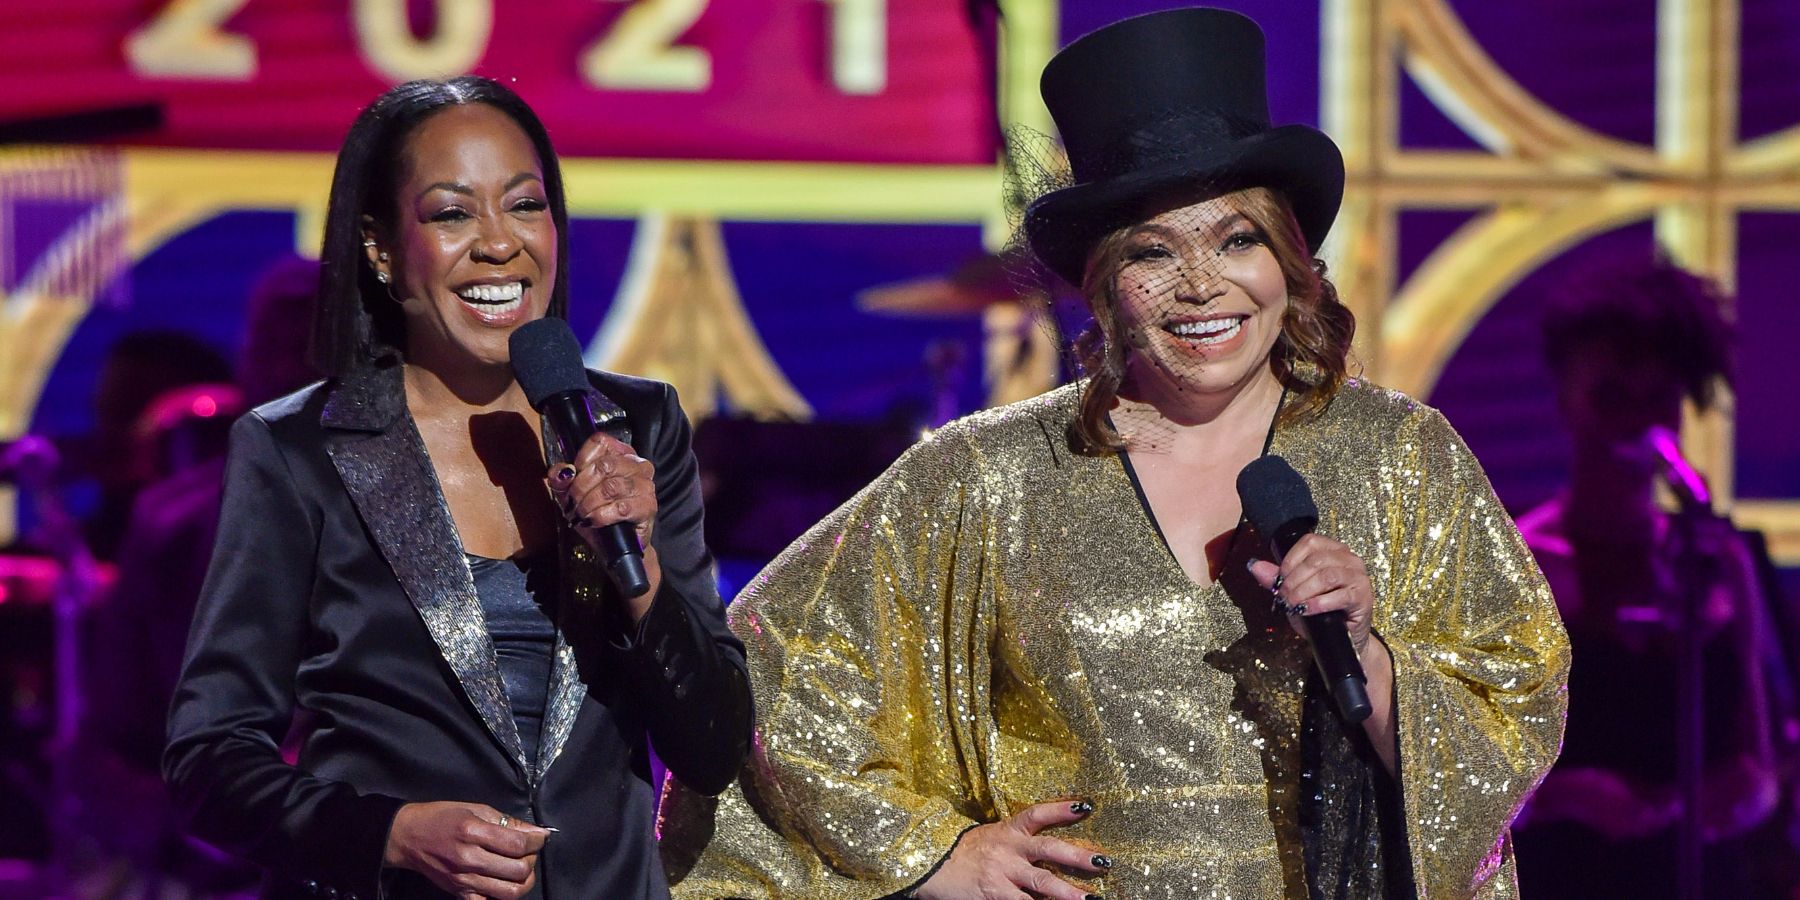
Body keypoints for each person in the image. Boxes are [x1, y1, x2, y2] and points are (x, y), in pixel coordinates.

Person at [659, 8, 1569, 899]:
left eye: (1237, 238)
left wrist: (1370, 657)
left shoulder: (1404, 453)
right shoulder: (989, 475)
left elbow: (1515, 712)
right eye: (1153, 251)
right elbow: (771, 683)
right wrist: (933, 855)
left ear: (1290, 266)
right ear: (1103, 286)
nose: (1202, 283)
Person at [163, 76, 752, 900]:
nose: (499, 244)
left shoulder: (640, 426)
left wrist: (642, 573)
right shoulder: (296, 452)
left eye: (524, 205)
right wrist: (388, 835)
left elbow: (714, 749)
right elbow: (209, 758)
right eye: (450, 214)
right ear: (379, 247)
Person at [1510, 253, 1785, 898]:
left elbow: (1760, 770)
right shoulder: (1521, 561)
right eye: (1611, 395)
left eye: (1657, 398)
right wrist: (1568, 796)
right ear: (1565, 399)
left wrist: (1696, 801)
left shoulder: (1715, 559)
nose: (1634, 420)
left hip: (1699, 876)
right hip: (1562, 876)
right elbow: (1461, 775)